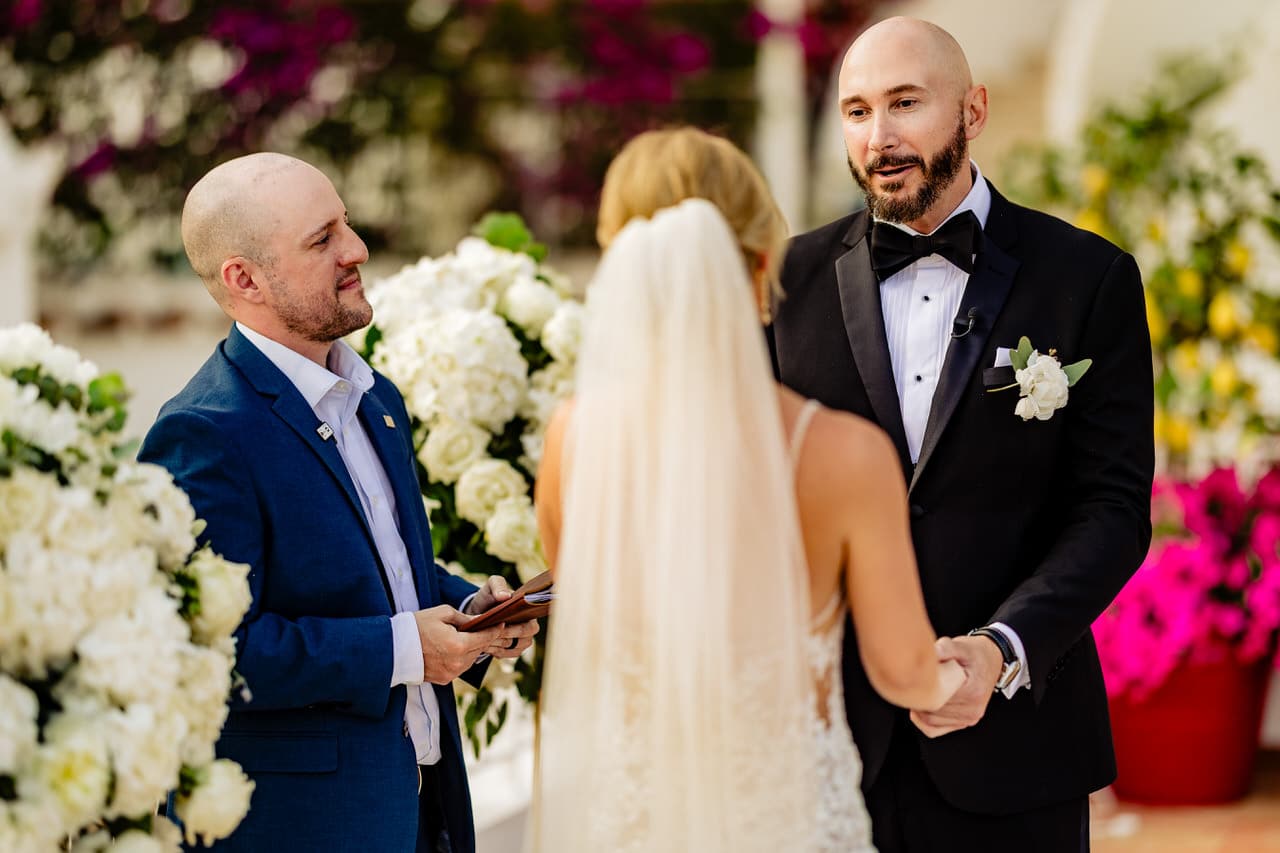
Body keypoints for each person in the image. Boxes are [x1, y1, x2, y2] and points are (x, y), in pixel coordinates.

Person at [768, 17, 1154, 852]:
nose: (880, 136)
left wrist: (1000, 649)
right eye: (858, 110)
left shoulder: (1089, 278)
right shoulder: (785, 282)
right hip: (829, 754)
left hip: (1017, 753)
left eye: (906, 103)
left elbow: (1112, 510)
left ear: (973, 110)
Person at [528, 127, 964, 853]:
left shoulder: (572, 440)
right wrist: (973, 670)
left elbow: (588, 625)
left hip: (632, 822)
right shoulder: (844, 454)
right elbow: (902, 669)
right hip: (784, 822)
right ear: (763, 264)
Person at [139, 153, 538, 853]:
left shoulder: (376, 397)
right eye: (322, 239)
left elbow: (383, 570)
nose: (355, 250)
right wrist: (405, 648)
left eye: (345, 224)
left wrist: (475, 611)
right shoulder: (202, 433)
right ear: (244, 279)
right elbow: (211, 651)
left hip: (422, 807)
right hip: (305, 828)